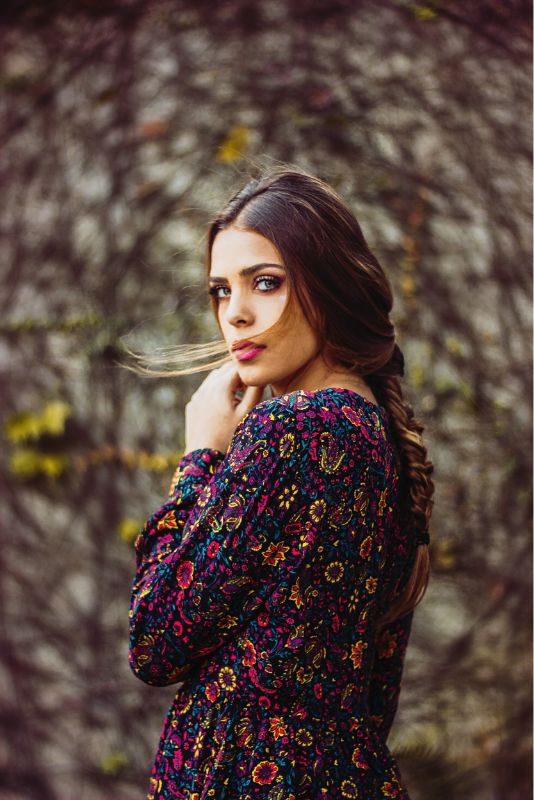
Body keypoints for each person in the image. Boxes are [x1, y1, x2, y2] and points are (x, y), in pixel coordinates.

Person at [128, 166, 434, 800]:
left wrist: (200, 459)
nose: (235, 315)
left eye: (265, 283)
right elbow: (374, 696)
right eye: (219, 291)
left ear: (329, 285)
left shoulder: (294, 428)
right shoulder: (374, 432)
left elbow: (155, 641)